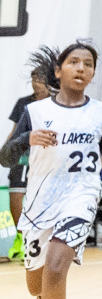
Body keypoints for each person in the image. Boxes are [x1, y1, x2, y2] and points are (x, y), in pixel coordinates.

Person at [0, 42, 102, 299]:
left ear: (93, 74)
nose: (81, 68)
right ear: (58, 70)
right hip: (40, 201)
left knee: (55, 267)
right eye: (74, 62)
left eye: (88, 64)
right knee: (36, 284)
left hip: (81, 196)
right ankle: (45, 296)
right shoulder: (35, 111)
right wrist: (27, 139)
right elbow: (5, 157)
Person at [6, 66, 51, 261]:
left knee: (40, 201)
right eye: (33, 79)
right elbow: (15, 130)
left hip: (45, 158)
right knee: (15, 195)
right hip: (23, 156)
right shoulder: (23, 103)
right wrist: (7, 150)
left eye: (39, 79)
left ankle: (39, 241)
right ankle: (19, 238)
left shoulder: (55, 103)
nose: (35, 83)